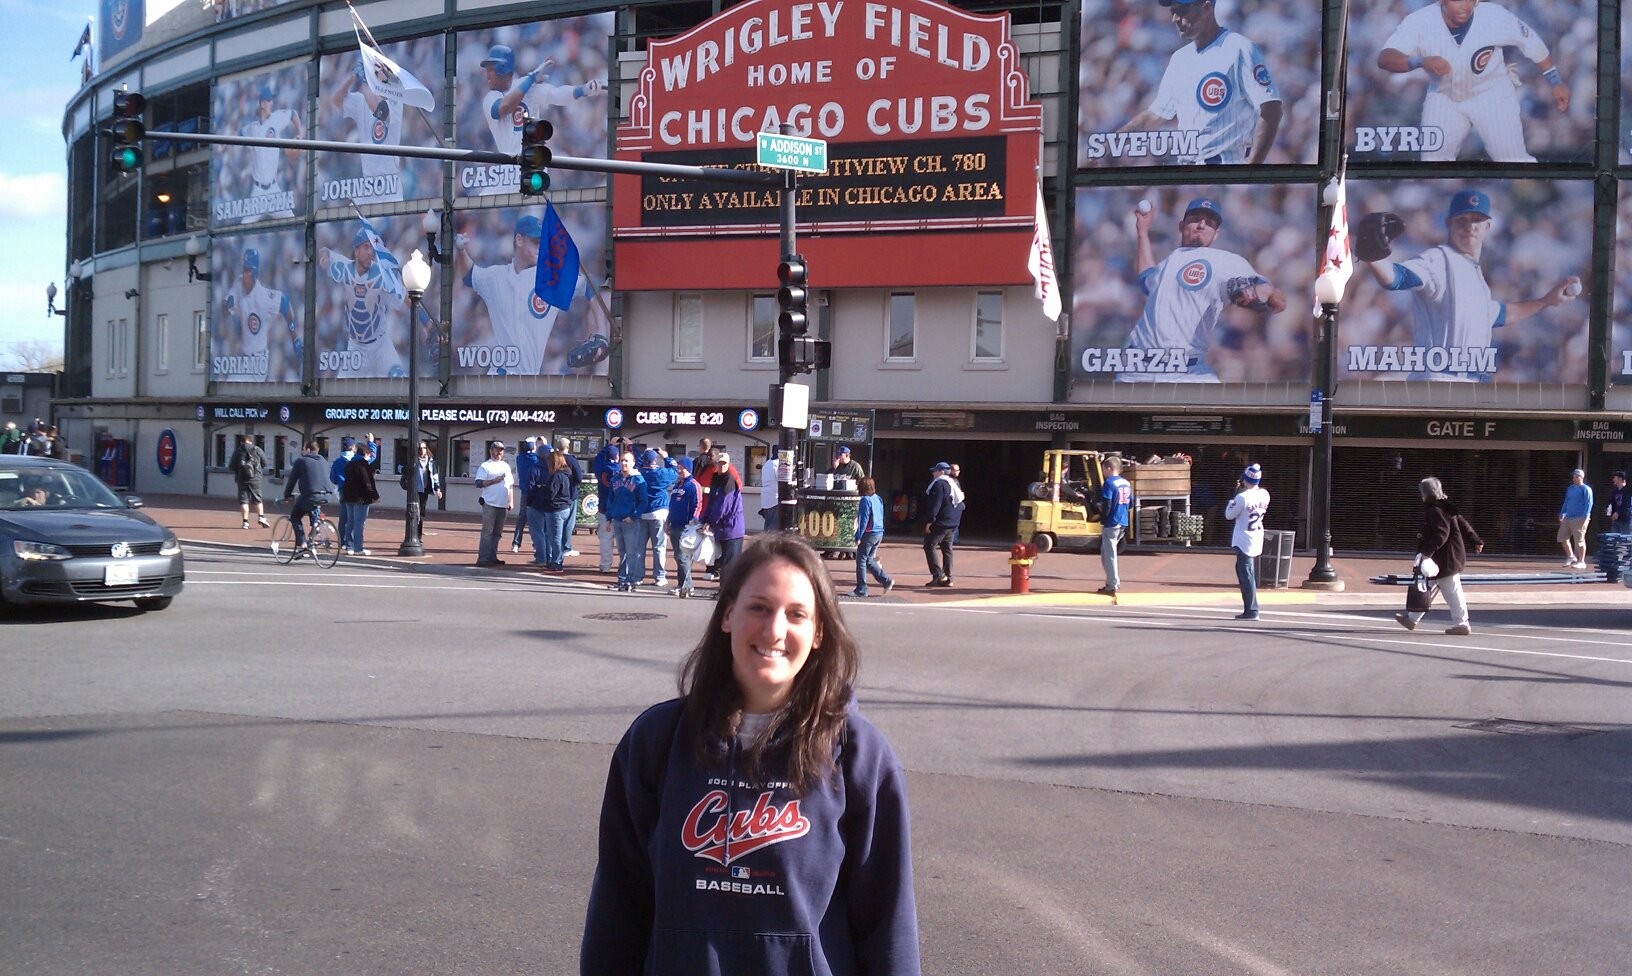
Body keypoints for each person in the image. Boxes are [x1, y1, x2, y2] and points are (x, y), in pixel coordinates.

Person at [580, 534, 921, 976]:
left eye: (796, 614)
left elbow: (888, 920)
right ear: (727, 615)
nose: (774, 630)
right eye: (758, 607)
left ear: (819, 633)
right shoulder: (656, 741)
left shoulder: (859, 755)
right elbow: (618, 902)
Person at [1357, 190, 1581, 381]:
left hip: (1466, 384)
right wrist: (1371, 255)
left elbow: (1500, 314)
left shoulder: (1474, 275)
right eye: (1462, 220)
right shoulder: (1439, 260)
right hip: (1441, 382)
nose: (1470, 226)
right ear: (1449, 224)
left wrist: (1545, 301)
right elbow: (1396, 278)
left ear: (1488, 226)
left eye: (1476, 220)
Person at [1112, 198, 1286, 382]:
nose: (1202, 225)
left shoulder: (1224, 260)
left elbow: (1273, 297)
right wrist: (1142, 232)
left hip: (1186, 368)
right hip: (1136, 367)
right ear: (1181, 226)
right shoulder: (1168, 263)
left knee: (1220, 407)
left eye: (1209, 222)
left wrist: (1263, 295)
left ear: (1216, 234)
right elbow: (1145, 278)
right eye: (1195, 219)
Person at [1377, 0, 1569, 163]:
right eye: (1457, 0)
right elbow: (1385, 58)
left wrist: (1555, 81)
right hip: (1445, 97)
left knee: (1513, 160)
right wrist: (1420, 61)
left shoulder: (1493, 16)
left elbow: (1532, 42)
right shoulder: (1421, 21)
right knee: (1432, 163)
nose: (1465, 6)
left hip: (1491, 94)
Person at [1113, 0, 1282, 165]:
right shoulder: (1179, 59)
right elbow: (1153, 116)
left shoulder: (1239, 47)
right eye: (1173, 11)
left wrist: (1251, 169)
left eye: (1182, 10)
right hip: (1188, 172)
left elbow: (1271, 109)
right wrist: (1109, 144)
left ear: (1206, 7)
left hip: (1227, 168)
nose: (1175, 18)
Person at [475, 44, 605, 196]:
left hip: (533, 169)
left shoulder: (529, 87)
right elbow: (504, 107)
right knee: (480, 201)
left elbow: (556, 94)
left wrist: (583, 90)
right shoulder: (491, 98)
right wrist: (530, 78)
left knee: (534, 210)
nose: (487, 75)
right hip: (507, 173)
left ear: (502, 68)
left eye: (491, 69)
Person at [455, 214, 562, 375]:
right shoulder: (497, 276)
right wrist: (461, 251)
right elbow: (469, 276)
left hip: (529, 381)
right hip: (499, 379)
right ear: (519, 240)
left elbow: (588, 286)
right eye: (535, 242)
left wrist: (601, 329)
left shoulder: (551, 279)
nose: (541, 248)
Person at [1396, 477, 1484, 635]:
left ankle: (1462, 624)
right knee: (1427, 587)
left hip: (1444, 559)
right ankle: (1412, 619)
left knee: (1450, 591)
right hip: (1447, 557)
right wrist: (1475, 540)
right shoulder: (1446, 507)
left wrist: (1426, 553)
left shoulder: (1435, 510)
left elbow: (1441, 534)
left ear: (1427, 493)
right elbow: (1463, 524)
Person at [318, 223, 407, 378]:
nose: (370, 252)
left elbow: (406, 299)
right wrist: (323, 255)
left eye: (372, 247)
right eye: (366, 247)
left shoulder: (381, 274)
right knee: (340, 394)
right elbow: (326, 253)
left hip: (380, 345)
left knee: (399, 380)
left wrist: (427, 323)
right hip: (356, 347)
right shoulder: (345, 268)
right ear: (356, 250)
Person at [327, 56, 407, 204]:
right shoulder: (361, 100)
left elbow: (379, 109)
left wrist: (366, 82)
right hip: (368, 185)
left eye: (378, 71)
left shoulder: (395, 101)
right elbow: (335, 100)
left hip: (390, 185)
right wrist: (352, 77)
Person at [219, 248, 300, 382]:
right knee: (227, 385)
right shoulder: (238, 283)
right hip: (244, 360)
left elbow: (285, 303)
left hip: (258, 362)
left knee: (232, 386)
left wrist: (295, 337)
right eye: (244, 269)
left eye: (249, 270)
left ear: (255, 272)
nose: (245, 274)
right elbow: (224, 313)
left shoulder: (263, 297)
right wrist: (226, 305)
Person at [236, 84, 303, 223]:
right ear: (261, 103)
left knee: (294, 223)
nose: (271, 103)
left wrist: (299, 134)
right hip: (258, 192)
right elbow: (238, 134)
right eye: (268, 100)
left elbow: (293, 114)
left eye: (271, 100)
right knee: (243, 226)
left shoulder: (276, 119)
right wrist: (221, 146)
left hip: (273, 190)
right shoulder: (252, 128)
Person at [1224, 463, 1270, 620]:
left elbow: (1229, 515)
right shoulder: (1265, 494)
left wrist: (1233, 499)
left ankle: (1251, 610)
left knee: (1246, 573)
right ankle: (1249, 608)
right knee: (1243, 570)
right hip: (1256, 535)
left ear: (1245, 479)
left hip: (1244, 538)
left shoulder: (1241, 497)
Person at [525, 448, 575, 573]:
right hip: (565, 507)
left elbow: (550, 493)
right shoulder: (567, 474)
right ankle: (553, 561)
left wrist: (542, 489)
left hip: (555, 509)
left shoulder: (556, 476)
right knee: (555, 536)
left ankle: (557, 563)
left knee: (555, 538)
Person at [605, 450, 647, 592]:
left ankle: (631, 580)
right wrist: (608, 517)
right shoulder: (615, 479)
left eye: (627, 460)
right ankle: (621, 580)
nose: (623, 463)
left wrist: (633, 516)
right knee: (622, 552)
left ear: (633, 463)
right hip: (617, 519)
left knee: (631, 552)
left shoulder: (638, 480)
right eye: (622, 460)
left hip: (630, 521)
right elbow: (610, 499)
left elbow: (643, 502)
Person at [281, 441, 332, 554]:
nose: (302, 451)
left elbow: (292, 480)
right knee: (311, 508)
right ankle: (315, 530)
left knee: (295, 516)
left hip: (311, 495)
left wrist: (287, 495)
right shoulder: (324, 461)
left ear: (308, 450)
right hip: (327, 495)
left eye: (303, 449)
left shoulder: (301, 461)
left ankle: (303, 543)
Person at [702, 452, 746, 579]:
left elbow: (723, 505)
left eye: (724, 463)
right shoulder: (716, 479)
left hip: (732, 528)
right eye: (719, 463)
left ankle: (729, 593)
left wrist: (710, 521)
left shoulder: (729, 480)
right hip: (721, 527)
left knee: (730, 563)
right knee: (722, 561)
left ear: (728, 464)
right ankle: (723, 591)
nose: (721, 466)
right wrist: (704, 519)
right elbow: (711, 502)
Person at [850, 476, 895, 598]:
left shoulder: (865, 500)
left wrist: (858, 535)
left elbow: (863, 520)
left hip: (869, 533)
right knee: (869, 560)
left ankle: (861, 589)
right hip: (879, 532)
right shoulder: (878, 498)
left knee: (861, 561)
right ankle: (886, 580)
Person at [922, 461, 964, 587]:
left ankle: (938, 575)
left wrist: (930, 521)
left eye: (935, 471)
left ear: (941, 472)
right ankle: (949, 577)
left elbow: (936, 504)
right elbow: (960, 503)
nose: (933, 473)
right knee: (947, 548)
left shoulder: (939, 484)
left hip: (942, 522)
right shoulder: (953, 483)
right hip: (953, 521)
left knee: (929, 545)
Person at [474, 440, 515, 567]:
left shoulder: (506, 466)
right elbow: (478, 483)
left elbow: (510, 485)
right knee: (487, 532)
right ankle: (483, 558)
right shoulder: (485, 466)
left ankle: (492, 556)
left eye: (501, 450)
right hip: (490, 503)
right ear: (491, 451)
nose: (499, 452)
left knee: (497, 533)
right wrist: (493, 481)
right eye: (497, 450)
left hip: (502, 504)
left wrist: (511, 500)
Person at [667, 456, 703, 598]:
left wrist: (693, 521)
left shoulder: (693, 485)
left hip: (686, 527)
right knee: (678, 557)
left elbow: (698, 504)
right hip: (674, 525)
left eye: (682, 468)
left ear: (688, 469)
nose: (679, 470)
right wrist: (668, 520)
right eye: (678, 468)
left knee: (683, 558)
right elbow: (672, 504)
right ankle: (681, 584)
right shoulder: (677, 485)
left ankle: (687, 586)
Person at [640, 449, 676, 587]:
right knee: (659, 547)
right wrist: (666, 456)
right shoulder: (661, 473)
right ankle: (659, 577)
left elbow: (637, 464)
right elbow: (674, 470)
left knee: (639, 548)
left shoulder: (640, 473)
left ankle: (638, 576)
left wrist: (644, 454)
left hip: (643, 513)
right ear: (655, 461)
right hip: (659, 512)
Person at [1097, 456, 1132, 596]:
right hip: (1122, 520)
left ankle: (1112, 584)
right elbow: (1130, 503)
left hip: (1112, 521)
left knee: (1109, 554)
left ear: (1109, 468)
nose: (1103, 472)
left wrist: (1103, 518)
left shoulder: (1109, 483)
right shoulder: (1126, 483)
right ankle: (1111, 582)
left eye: (1104, 469)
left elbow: (1107, 503)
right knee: (1105, 553)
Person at [594, 436, 628, 573]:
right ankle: (623, 567)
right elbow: (636, 461)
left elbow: (597, 459)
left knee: (605, 539)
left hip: (604, 508)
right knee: (623, 541)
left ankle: (605, 565)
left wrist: (608, 445)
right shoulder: (623, 470)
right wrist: (630, 446)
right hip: (620, 509)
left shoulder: (601, 467)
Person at [340, 442, 380, 555]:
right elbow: (368, 483)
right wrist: (375, 496)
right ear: (366, 453)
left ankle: (349, 546)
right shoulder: (363, 465)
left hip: (348, 496)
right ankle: (358, 548)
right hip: (361, 498)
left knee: (350, 522)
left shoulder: (349, 464)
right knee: (359, 522)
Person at [400, 440, 442, 543]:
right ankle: (410, 534)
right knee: (413, 511)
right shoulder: (412, 461)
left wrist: (438, 489)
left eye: (423, 448)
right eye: (419, 448)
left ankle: (418, 535)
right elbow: (400, 468)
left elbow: (435, 476)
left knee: (421, 513)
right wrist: (407, 468)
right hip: (414, 490)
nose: (421, 450)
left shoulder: (431, 462)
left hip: (425, 489)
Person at [229, 434, 270, 529]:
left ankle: (245, 522)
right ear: (251, 441)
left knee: (244, 501)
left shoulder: (238, 451)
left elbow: (231, 466)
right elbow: (265, 463)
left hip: (242, 478)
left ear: (241, 442)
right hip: (255, 478)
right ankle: (261, 517)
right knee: (257, 498)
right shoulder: (257, 449)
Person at [556, 435, 585, 557]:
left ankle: (556, 549)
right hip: (570, 494)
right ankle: (566, 547)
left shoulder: (553, 458)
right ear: (568, 446)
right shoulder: (571, 460)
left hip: (555, 494)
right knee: (568, 523)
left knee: (555, 524)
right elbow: (579, 477)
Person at [1558, 467, 1592, 570]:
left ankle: (1581, 561)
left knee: (1579, 540)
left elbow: (1589, 503)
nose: (1574, 478)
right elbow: (1567, 501)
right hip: (1568, 517)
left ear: (1581, 477)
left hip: (1580, 518)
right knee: (1562, 538)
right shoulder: (1570, 488)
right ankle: (1571, 556)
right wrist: (1562, 512)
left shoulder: (1585, 489)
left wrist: (1585, 516)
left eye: (1576, 476)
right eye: (1573, 476)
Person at [511, 437, 540, 553]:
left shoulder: (519, 458)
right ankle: (536, 544)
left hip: (524, 490)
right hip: (535, 491)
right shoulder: (536, 459)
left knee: (522, 518)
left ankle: (516, 543)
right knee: (536, 519)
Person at [329, 437, 358, 546]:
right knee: (354, 517)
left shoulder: (337, 462)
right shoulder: (356, 460)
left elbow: (332, 478)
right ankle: (351, 541)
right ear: (352, 447)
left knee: (344, 516)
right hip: (354, 490)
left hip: (343, 490)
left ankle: (342, 541)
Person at [758, 452, 780, 532]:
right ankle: (769, 544)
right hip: (774, 499)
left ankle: (764, 543)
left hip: (765, 500)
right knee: (773, 527)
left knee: (768, 523)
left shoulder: (767, 463)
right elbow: (782, 480)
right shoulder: (777, 464)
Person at [1606, 470, 1630, 535]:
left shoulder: (1627, 491)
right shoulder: (1614, 491)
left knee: (1625, 540)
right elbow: (1612, 503)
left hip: (1625, 520)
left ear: (1620, 479)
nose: (1613, 479)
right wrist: (1611, 512)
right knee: (1614, 540)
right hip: (1615, 520)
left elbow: (1628, 505)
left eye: (1615, 477)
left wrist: (1618, 513)